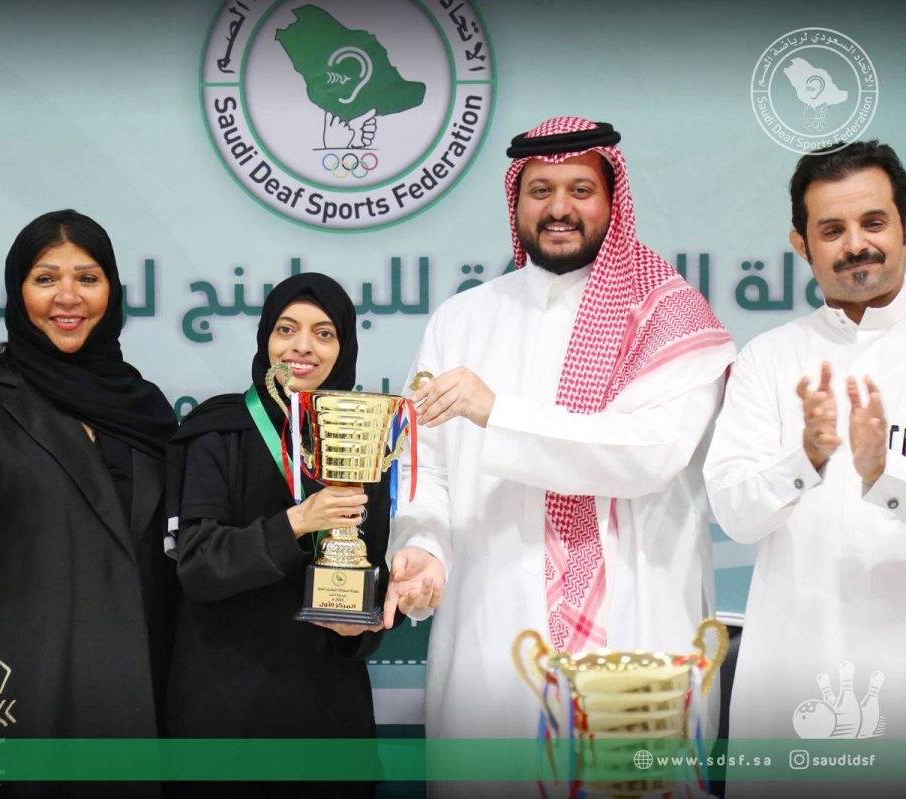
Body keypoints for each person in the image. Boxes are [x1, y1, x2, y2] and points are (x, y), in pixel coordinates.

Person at [385, 117, 736, 747]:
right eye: (540, 190)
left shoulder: (670, 316)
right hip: (491, 623)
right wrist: (424, 545)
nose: (559, 209)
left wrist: (498, 412)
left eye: (581, 189)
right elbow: (423, 465)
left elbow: (652, 454)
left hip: (634, 628)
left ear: (612, 200)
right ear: (516, 201)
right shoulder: (461, 320)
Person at [0, 210, 176, 796]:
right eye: (46, 278)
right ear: (18, 290)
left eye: (87, 278)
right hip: (20, 692)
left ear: (112, 291)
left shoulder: (145, 406)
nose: (67, 297)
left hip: (125, 695)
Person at [705, 142, 906, 756]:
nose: (856, 245)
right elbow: (735, 517)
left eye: (873, 222)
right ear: (802, 245)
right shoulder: (768, 359)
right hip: (793, 672)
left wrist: (884, 477)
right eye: (832, 230)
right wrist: (805, 462)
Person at [164, 273, 387, 798]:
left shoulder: (364, 437)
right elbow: (198, 565)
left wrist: (361, 628)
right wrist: (296, 522)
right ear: (265, 339)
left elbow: (375, 573)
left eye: (324, 333)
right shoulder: (219, 431)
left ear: (345, 347)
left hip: (328, 718)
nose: (302, 346)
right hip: (225, 714)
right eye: (286, 329)